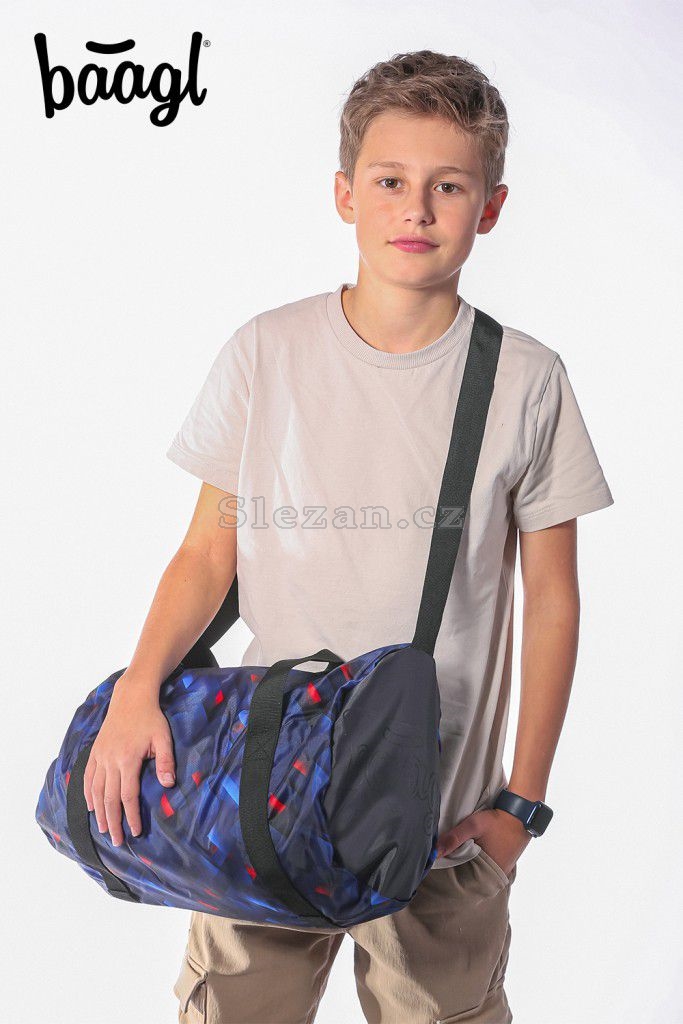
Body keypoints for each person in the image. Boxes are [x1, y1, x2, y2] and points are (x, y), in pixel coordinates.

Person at [84, 49, 614, 1023]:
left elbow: (551, 602)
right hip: (260, 793)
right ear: (344, 195)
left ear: (489, 207)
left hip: (440, 821)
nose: (416, 209)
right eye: (389, 181)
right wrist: (135, 689)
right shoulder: (267, 351)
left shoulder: (524, 380)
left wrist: (517, 807)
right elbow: (207, 553)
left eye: (447, 185)